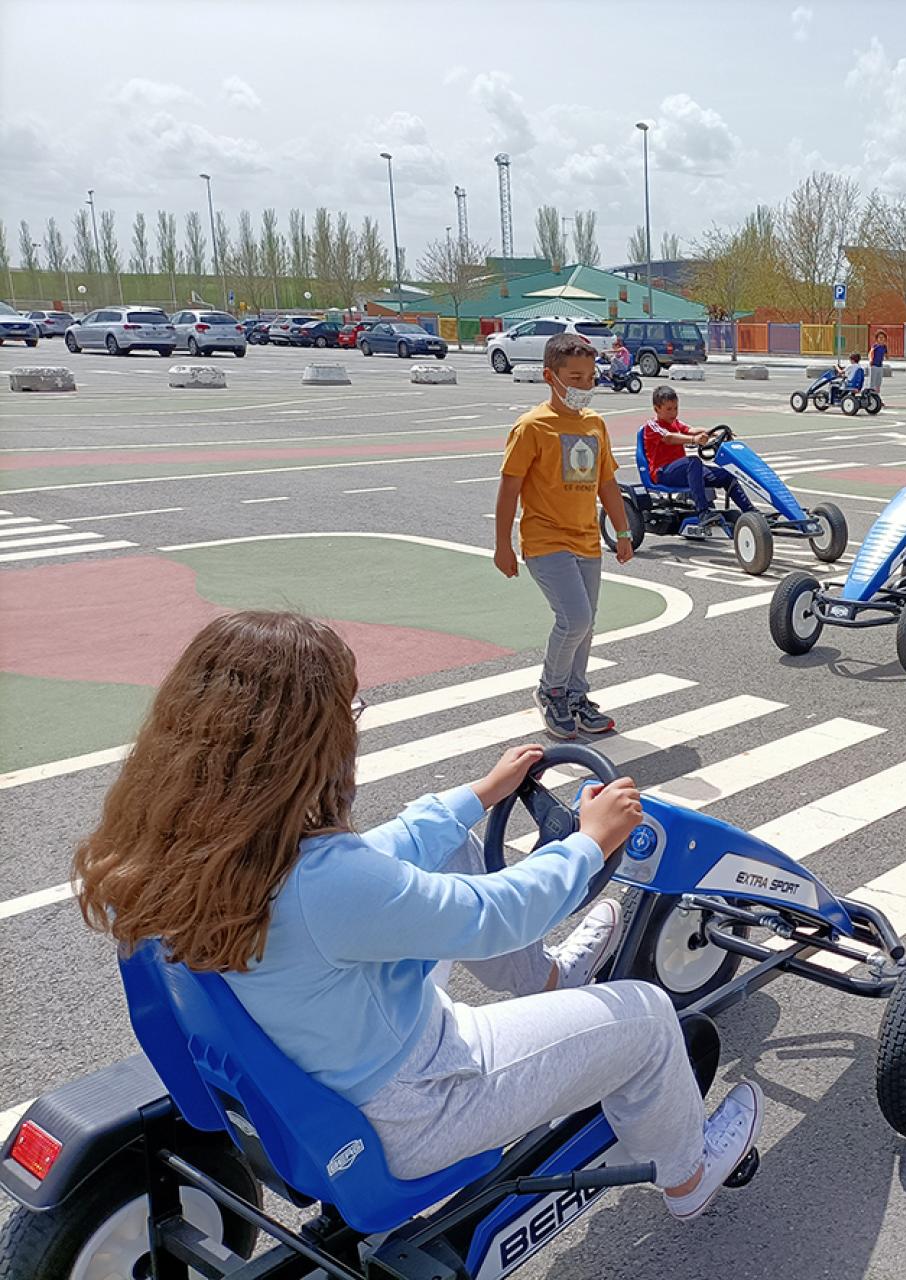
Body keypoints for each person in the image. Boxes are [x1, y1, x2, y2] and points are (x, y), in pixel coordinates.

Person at [71, 611, 763, 1221]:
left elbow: (374, 864)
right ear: (305, 742)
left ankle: (549, 984)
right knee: (644, 1015)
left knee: (453, 849)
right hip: (419, 1103)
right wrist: (591, 841)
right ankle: (689, 1174)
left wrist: (477, 797)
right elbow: (501, 913)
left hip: (330, 1057)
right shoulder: (326, 883)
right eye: (351, 709)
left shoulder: (194, 850)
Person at [495, 334, 631, 741]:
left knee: (585, 626)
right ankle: (551, 690)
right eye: (575, 377)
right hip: (546, 540)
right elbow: (509, 487)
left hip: (587, 540)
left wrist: (622, 531)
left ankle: (575, 694)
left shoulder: (594, 424)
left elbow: (607, 481)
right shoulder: (532, 426)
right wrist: (502, 544)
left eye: (590, 377)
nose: (584, 386)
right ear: (549, 376)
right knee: (575, 618)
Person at [641, 386, 755, 537]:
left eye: (675, 408)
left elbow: (691, 429)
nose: (673, 413)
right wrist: (694, 440)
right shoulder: (652, 426)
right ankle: (703, 512)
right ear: (656, 409)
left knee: (726, 474)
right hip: (663, 473)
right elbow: (668, 437)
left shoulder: (675, 423)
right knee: (693, 461)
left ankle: (751, 513)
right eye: (669, 409)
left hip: (681, 471)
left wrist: (713, 432)